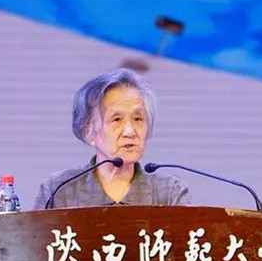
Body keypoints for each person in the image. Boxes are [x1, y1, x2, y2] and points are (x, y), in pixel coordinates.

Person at [33, 68, 190, 209]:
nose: (130, 132)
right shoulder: (59, 191)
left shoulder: (170, 192)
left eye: (138, 119)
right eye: (116, 120)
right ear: (88, 131)